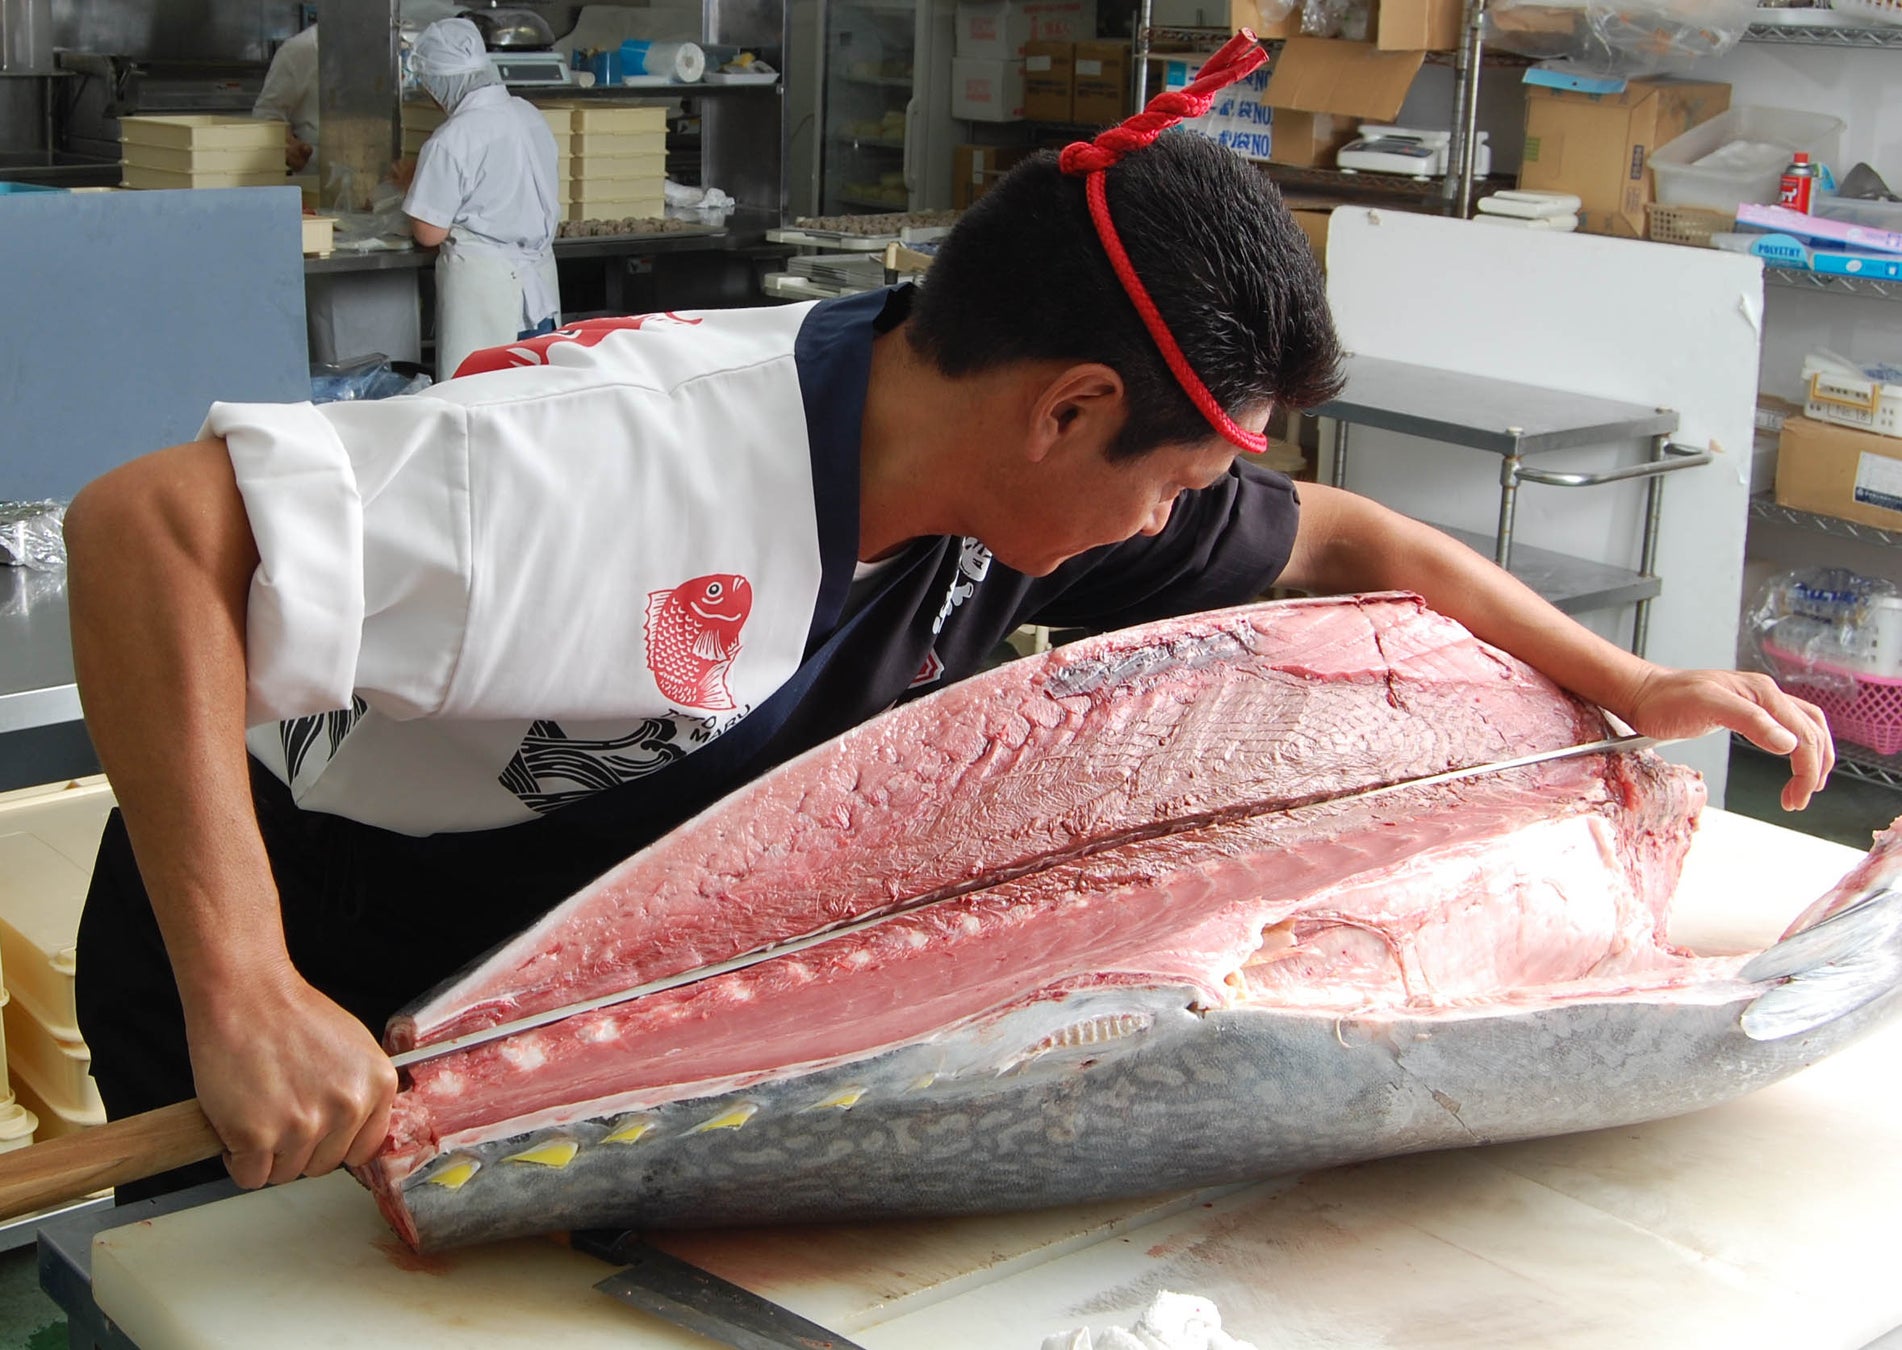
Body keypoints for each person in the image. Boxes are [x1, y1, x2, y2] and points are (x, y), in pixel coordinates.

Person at [63, 35, 1831, 1202]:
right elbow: (147, 531)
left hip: (555, 951)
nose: (1173, 526)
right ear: (1066, 409)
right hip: (302, 929)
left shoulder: (995, 496)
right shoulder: (618, 462)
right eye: (1168, 484)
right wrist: (244, 989)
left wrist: (1627, 677)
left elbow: (1348, 543)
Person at [399, 17, 562, 381]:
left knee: (480, 396)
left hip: (488, 292)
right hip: (538, 285)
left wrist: (412, 186)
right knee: (535, 394)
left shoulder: (452, 138)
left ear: (440, 83)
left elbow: (428, 233)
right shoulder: (528, 115)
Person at [252, 24, 319, 172]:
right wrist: (288, 145)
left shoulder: (374, 45)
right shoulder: (299, 50)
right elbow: (268, 114)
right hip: (318, 177)